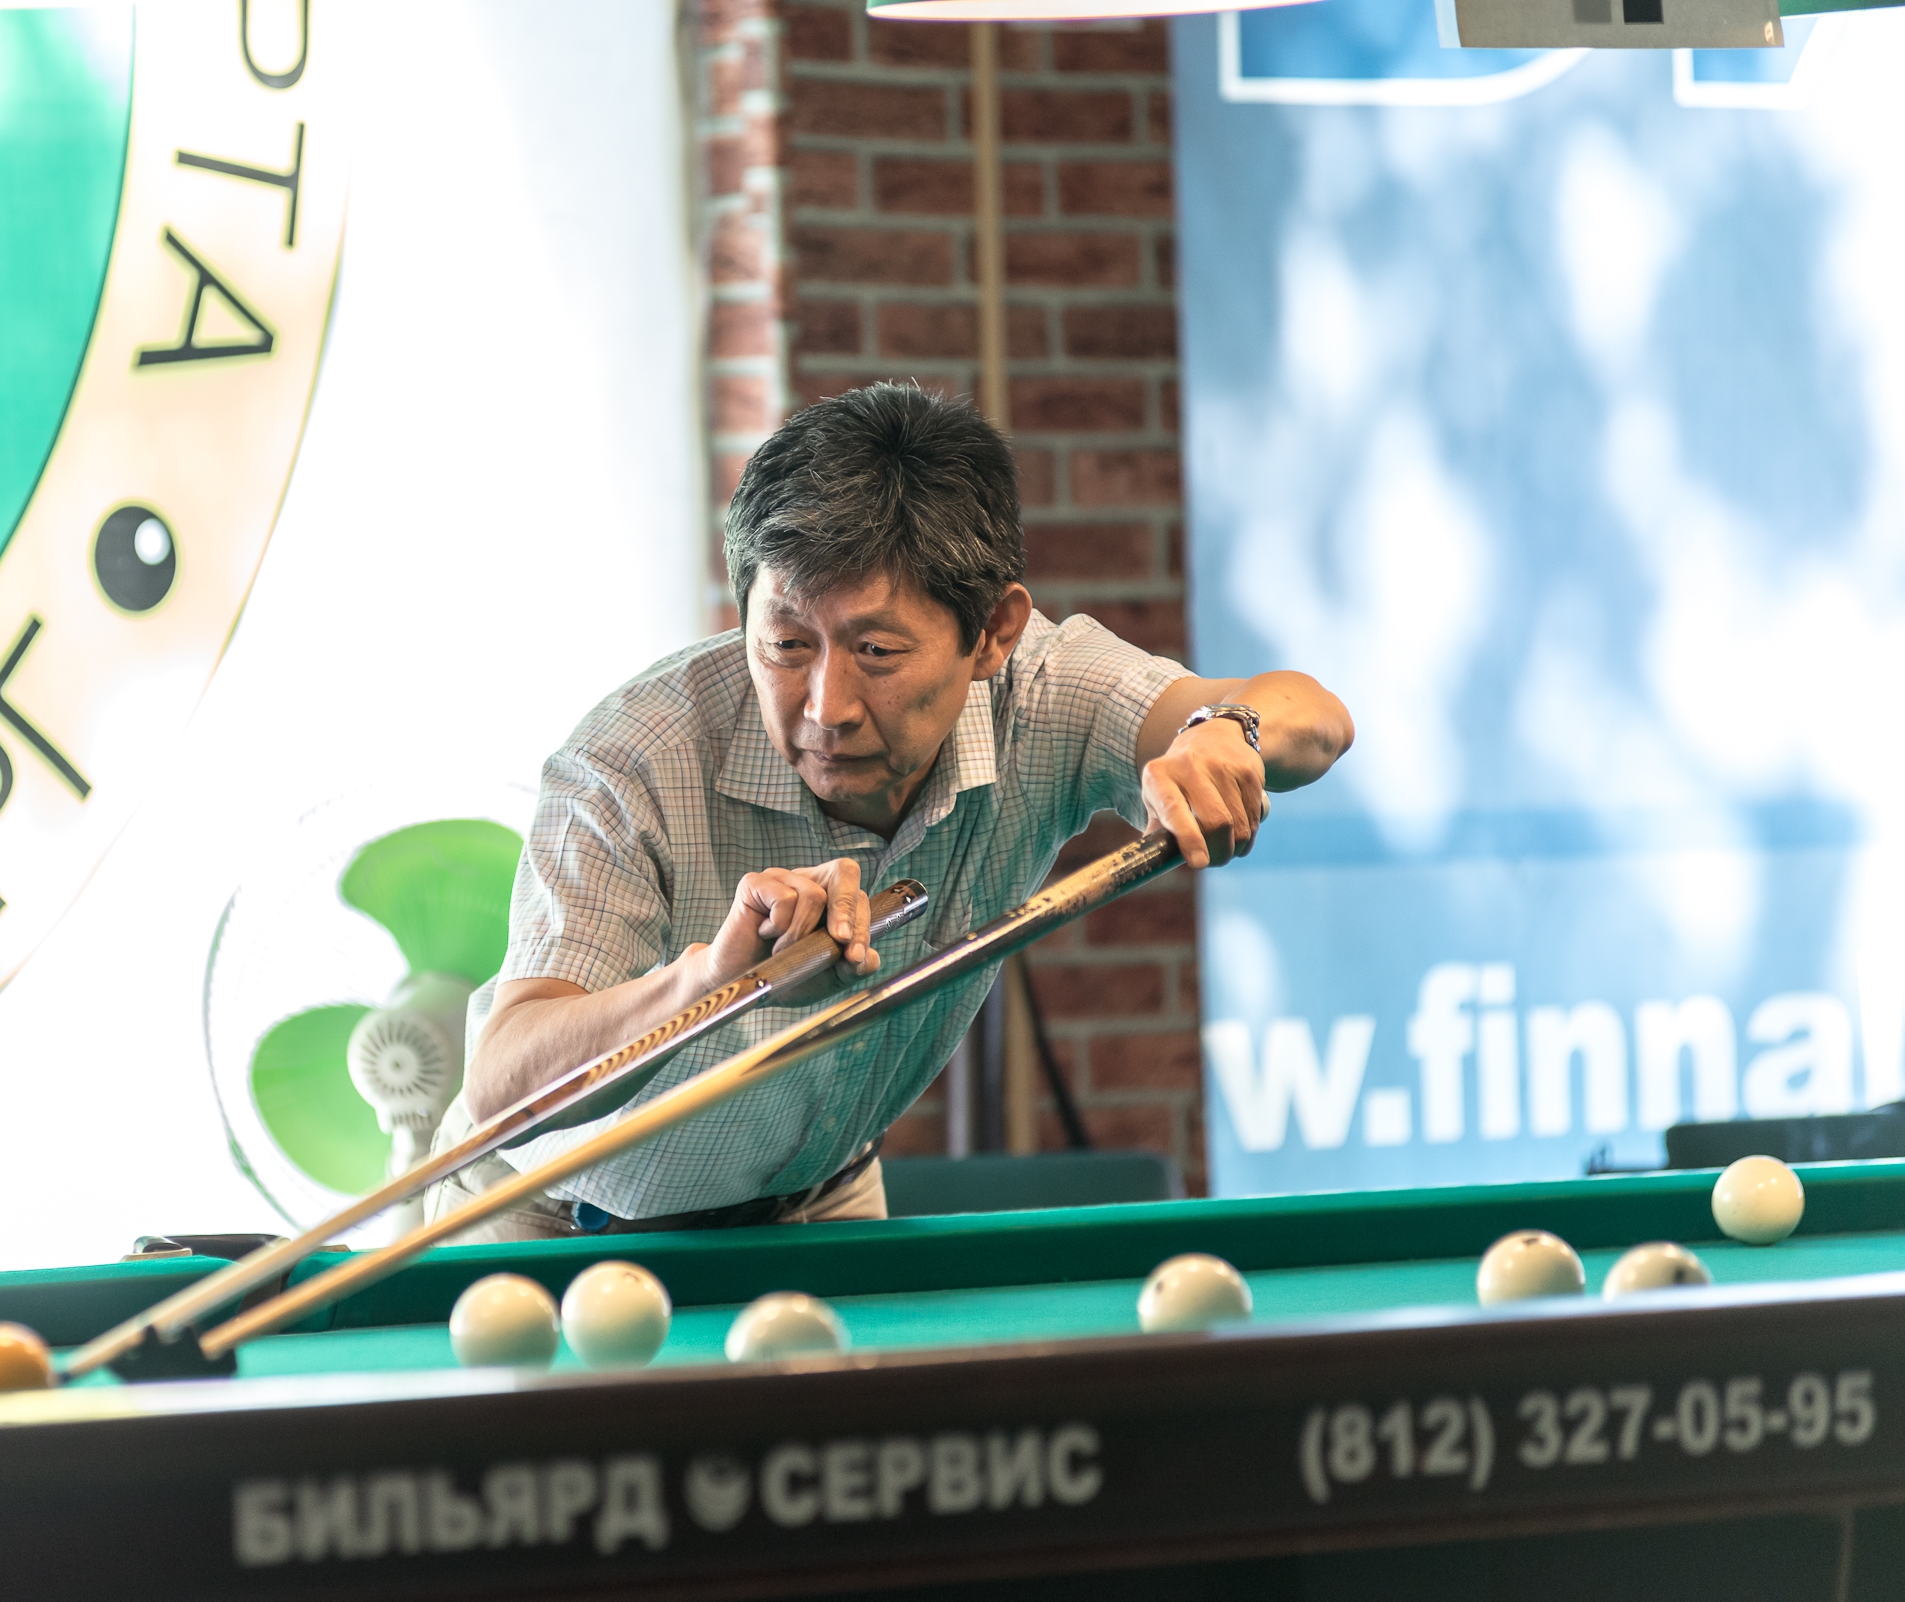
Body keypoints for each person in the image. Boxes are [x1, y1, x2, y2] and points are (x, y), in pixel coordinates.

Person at [425, 383, 1352, 1240]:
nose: (825, 706)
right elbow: (506, 1083)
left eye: (875, 651)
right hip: (551, 1215)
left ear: (993, 633)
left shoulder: (1042, 696)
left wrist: (1226, 732)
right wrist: (708, 981)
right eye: (786, 644)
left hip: (821, 1199)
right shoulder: (632, 757)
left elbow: (1316, 720)